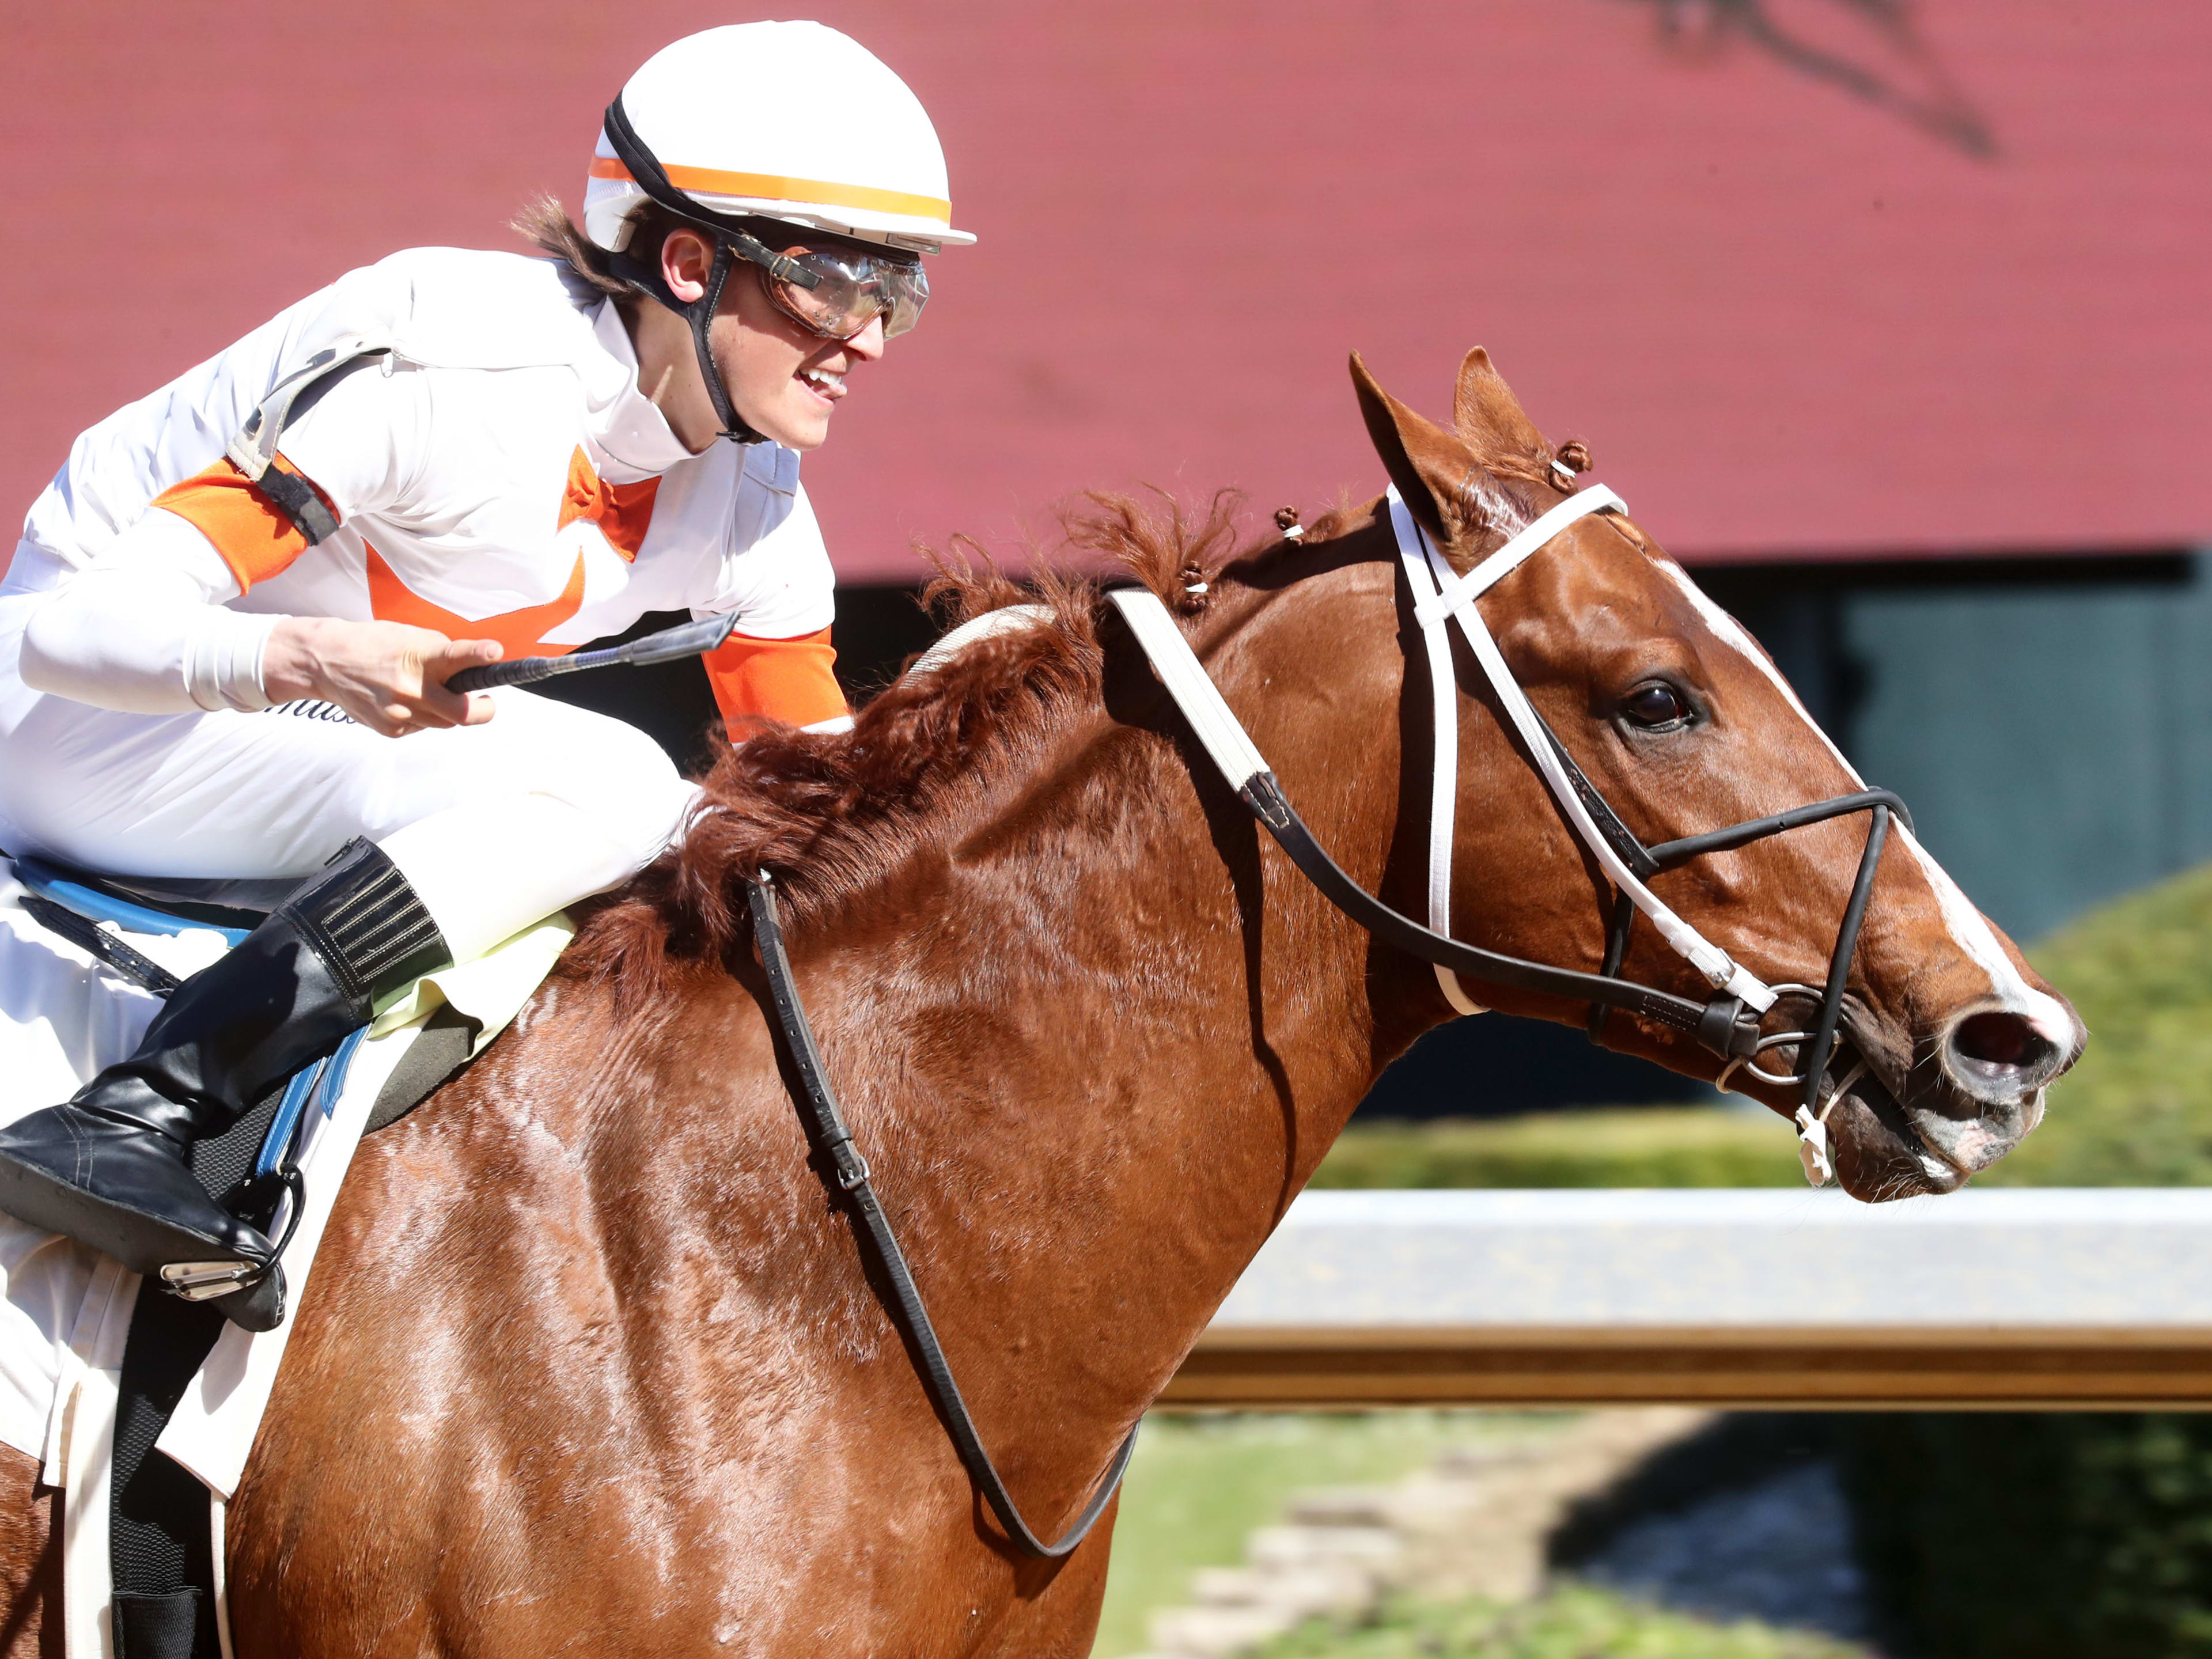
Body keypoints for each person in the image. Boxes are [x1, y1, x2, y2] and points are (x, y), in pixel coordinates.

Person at [0, 21, 971, 1329]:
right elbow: (60, 635)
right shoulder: (454, 365)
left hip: (256, 739)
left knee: (697, 824)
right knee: (620, 783)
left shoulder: (754, 501)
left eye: (894, 292)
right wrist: (308, 653)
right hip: (75, 719)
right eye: (830, 285)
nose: (868, 338)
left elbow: (830, 816)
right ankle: (150, 1106)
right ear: (686, 261)